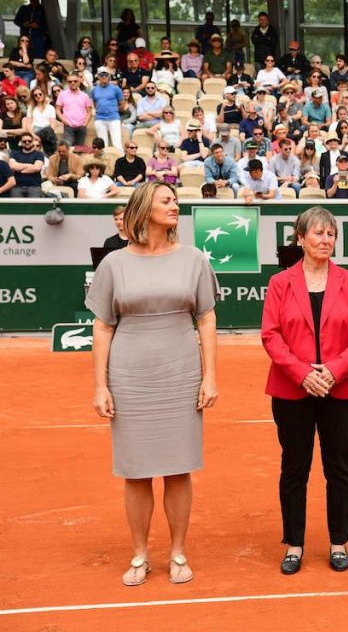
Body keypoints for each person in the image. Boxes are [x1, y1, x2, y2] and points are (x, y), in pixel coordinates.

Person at [86, 181, 218, 586]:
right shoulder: (113, 264)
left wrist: (210, 374)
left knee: (179, 469)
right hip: (130, 377)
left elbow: (207, 319)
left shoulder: (194, 259)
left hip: (180, 373)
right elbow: (103, 327)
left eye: (176, 199)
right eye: (166, 200)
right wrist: (100, 385)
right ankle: (140, 554)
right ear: (144, 209)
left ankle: (177, 551)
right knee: (136, 471)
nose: (175, 205)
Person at [261, 207, 348, 575]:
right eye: (318, 233)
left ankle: (339, 542)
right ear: (300, 239)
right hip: (292, 391)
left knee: (338, 467)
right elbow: (271, 336)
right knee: (295, 468)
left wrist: (334, 371)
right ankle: (294, 544)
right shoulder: (280, 283)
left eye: (331, 234)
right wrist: (302, 374)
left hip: (340, 390)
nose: (325, 240)